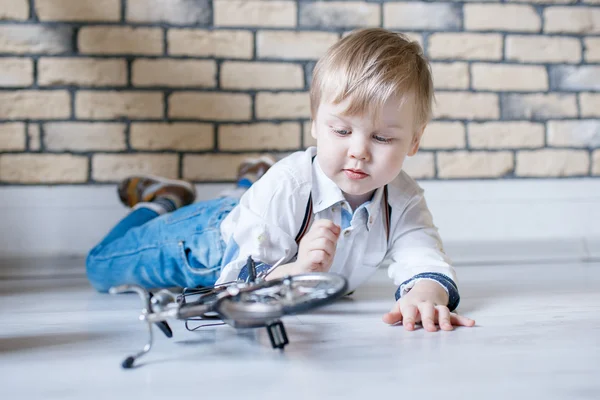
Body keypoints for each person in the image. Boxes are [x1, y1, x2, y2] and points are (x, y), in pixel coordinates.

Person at [87, 28, 475, 332]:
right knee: (101, 266)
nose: (359, 150)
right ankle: (162, 200)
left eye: (382, 138)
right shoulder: (289, 185)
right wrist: (295, 271)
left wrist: (426, 295)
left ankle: (247, 184)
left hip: (260, 213)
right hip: (206, 241)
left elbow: (423, 256)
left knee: (263, 204)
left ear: (414, 141)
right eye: (341, 131)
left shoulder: (402, 198)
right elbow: (230, 286)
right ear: (314, 124)